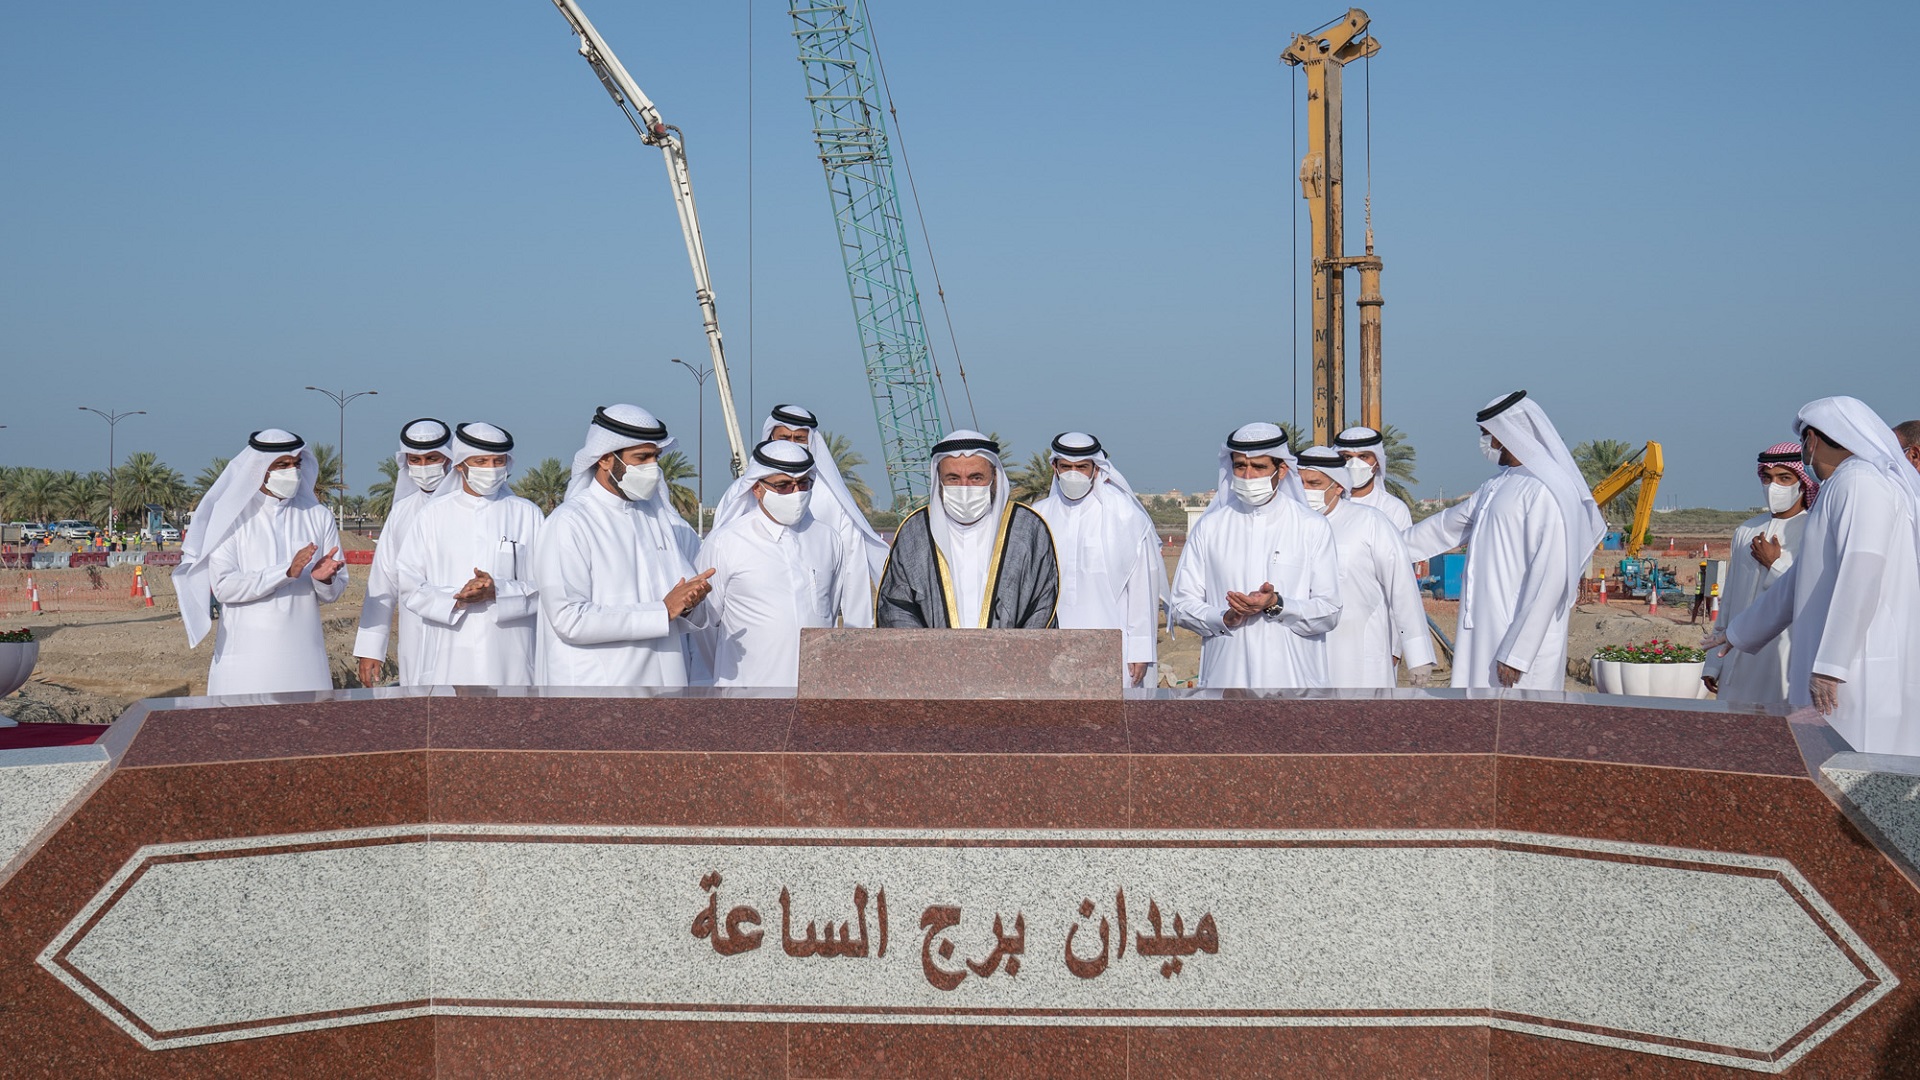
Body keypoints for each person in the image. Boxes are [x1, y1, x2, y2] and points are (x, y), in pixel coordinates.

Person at [1717, 398, 1920, 754]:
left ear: (1812, 440)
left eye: (1802, 442)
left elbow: (1863, 571)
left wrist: (1832, 665)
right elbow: (1802, 579)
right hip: (1838, 669)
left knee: (1856, 774)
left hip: (1855, 670)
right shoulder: (1842, 485)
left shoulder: (1859, 483)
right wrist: (1740, 632)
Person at [1404, 392, 1604, 690]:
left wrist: (1518, 653)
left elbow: (1551, 579)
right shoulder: (1496, 485)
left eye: (1487, 434)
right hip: (1484, 630)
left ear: (1507, 434)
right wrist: (1385, 549)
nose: (1485, 443)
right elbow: (1445, 526)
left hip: (1519, 644)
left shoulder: (1548, 490)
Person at [533, 405, 714, 687]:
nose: (652, 467)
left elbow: (676, 606)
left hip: (668, 685)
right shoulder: (570, 522)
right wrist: (661, 611)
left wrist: (689, 603)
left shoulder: (659, 518)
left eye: (655, 457)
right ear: (605, 459)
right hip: (602, 689)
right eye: (641, 458)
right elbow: (569, 619)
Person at [173, 429, 347, 696]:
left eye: (296, 464)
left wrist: (324, 579)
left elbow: (334, 592)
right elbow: (223, 587)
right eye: (282, 465)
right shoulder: (231, 518)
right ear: (260, 468)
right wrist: (286, 572)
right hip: (246, 664)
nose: (292, 471)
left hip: (306, 661)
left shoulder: (318, 516)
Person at [1168, 423, 1342, 689]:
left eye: (1259, 467)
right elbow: (1181, 605)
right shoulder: (1211, 526)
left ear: (1281, 470)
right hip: (1225, 679)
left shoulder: (1311, 526)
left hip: (1294, 682)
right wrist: (1224, 617)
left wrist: (1277, 604)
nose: (1248, 476)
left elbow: (1329, 611)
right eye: (1240, 466)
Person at [698, 439, 873, 687]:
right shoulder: (725, 542)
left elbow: (830, 611)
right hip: (748, 693)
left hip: (813, 692)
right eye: (783, 486)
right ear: (756, 488)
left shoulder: (828, 539)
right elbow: (704, 626)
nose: (796, 493)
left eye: (803, 484)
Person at [395, 423, 543, 686]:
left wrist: (498, 591)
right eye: (481, 461)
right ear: (461, 465)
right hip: (449, 651)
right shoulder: (432, 515)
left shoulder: (527, 514)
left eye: (499, 461)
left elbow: (547, 586)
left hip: (511, 655)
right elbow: (408, 584)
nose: (491, 468)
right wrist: (456, 600)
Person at [876, 430, 1059, 628]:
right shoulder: (914, 531)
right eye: (953, 478)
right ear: (939, 480)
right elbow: (896, 606)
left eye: (976, 477)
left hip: (1010, 656)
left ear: (994, 478)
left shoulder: (1028, 528)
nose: (965, 487)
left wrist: (1013, 653)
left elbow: (1041, 603)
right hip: (931, 657)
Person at [1030, 431, 1166, 686]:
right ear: (1055, 467)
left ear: (1096, 468)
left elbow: (1142, 589)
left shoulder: (1124, 516)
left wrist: (1140, 649)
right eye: (1066, 467)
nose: (1073, 474)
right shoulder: (1038, 516)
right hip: (1052, 649)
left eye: (1082, 467)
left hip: (1116, 646)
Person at [1296, 445, 1435, 688]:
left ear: (1338, 486)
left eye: (1314, 483)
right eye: (1301, 484)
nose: (1306, 490)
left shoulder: (1370, 522)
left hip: (1359, 652)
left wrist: (1417, 653)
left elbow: (1401, 588)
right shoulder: (1291, 526)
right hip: (1303, 651)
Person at [714, 404, 892, 585]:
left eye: (799, 438)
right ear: (770, 438)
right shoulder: (741, 492)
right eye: (784, 437)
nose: (791, 444)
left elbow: (852, 564)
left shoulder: (833, 498)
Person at [1700, 443, 1815, 705]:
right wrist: (1713, 664)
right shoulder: (1746, 530)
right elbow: (1729, 601)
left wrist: (1774, 563)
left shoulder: (1814, 529)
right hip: (1735, 659)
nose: (1774, 486)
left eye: (1784, 478)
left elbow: (1809, 593)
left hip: (1782, 660)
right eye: (1768, 478)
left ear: (1803, 482)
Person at [353, 417, 451, 687]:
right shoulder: (402, 511)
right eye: (415, 460)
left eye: (432, 458)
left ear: (448, 459)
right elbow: (383, 580)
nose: (423, 467)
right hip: (415, 633)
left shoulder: (476, 507)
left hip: (465, 633)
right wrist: (371, 648)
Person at [1333, 425, 1413, 531]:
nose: (1354, 463)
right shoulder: (1327, 503)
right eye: (1347, 457)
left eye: (1363, 457)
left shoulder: (1393, 508)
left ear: (1378, 462)